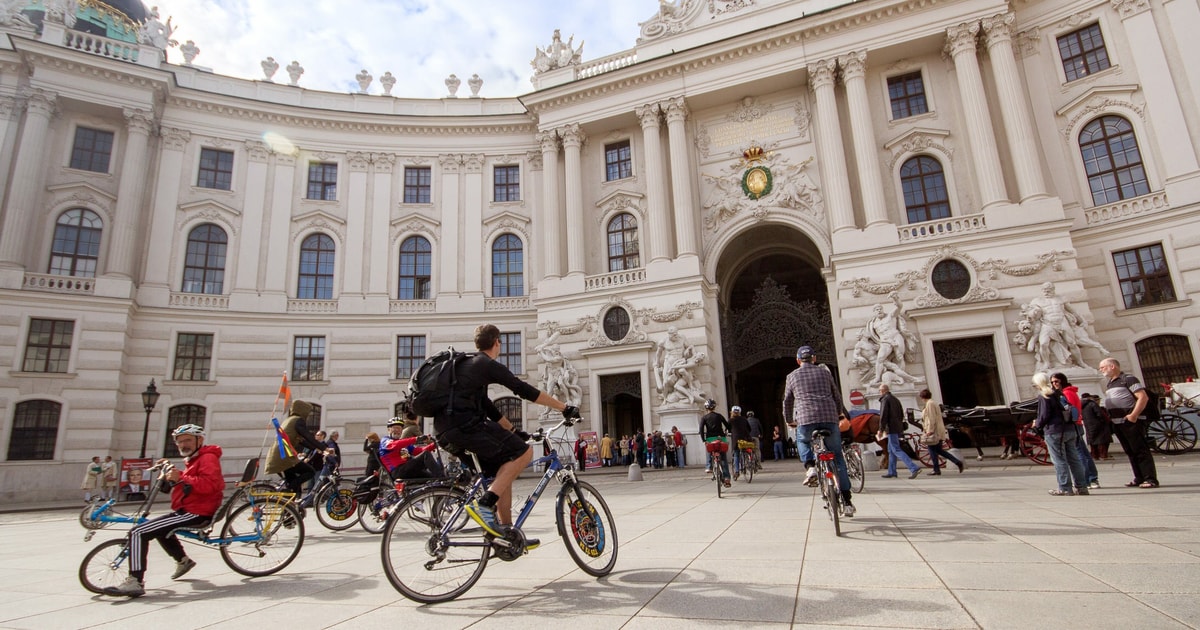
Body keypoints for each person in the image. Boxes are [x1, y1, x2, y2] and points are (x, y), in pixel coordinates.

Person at [435, 324, 578, 544]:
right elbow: (525, 390)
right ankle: (484, 504)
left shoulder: (467, 365)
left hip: (444, 431)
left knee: (504, 469)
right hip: (465, 426)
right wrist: (564, 408)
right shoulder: (486, 364)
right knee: (524, 453)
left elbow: (488, 407)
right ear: (497, 343)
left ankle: (507, 534)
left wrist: (513, 431)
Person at [107, 424, 223, 597]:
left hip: (197, 512)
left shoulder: (207, 458)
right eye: (180, 442)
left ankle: (135, 581)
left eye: (188, 440)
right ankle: (183, 561)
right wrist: (170, 468)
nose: (183, 445)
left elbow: (212, 485)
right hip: (189, 509)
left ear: (200, 440)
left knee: (138, 532)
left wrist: (182, 477)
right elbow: (192, 479)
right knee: (159, 528)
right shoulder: (195, 459)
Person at [784, 345, 856, 516]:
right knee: (838, 458)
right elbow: (836, 395)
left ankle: (810, 467)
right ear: (814, 359)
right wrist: (839, 414)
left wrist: (788, 420)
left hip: (806, 419)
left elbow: (787, 401)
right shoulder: (825, 373)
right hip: (829, 418)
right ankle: (847, 502)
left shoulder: (792, 376)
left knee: (802, 440)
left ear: (798, 360)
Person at [1098, 357, 1159, 488]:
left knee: (1140, 450)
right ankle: (1139, 477)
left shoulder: (1128, 379)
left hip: (1131, 421)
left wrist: (1134, 415)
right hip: (1118, 422)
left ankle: (1150, 479)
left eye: (1103, 367)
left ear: (1112, 366)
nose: (1101, 370)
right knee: (1130, 450)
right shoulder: (1110, 383)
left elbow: (1143, 397)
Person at [1032, 372, 1088, 496]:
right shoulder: (1059, 393)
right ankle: (1082, 487)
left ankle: (1064, 488)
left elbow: (1044, 414)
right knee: (1074, 459)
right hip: (1069, 429)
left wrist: (1037, 426)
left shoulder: (1045, 395)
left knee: (1059, 460)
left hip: (1055, 431)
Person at [266, 400, 332, 499]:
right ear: (303, 410)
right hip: (284, 457)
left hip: (278, 455)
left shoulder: (289, 420)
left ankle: (289, 511)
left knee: (293, 484)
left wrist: (318, 449)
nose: (308, 415)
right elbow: (308, 436)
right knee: (310, 472)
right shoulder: (298, 420)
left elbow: (302, 441)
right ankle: (287, 490)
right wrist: (325, 448)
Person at [1052, 372, 1099, 489]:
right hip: (1076, 424)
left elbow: (1069, 411)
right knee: (1083, 452)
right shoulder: (1070, 392)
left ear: (1062, 381)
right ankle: (1092, 478)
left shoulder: (1066, 393)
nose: (1054, 384)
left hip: (1073, 425)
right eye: (1052, 382)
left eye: (1056, 381)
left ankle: (1087, 479)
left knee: (1079, 454)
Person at [379, 417, 444, 480]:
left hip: (408, 469)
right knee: (425, 455)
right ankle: (441, 478)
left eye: (400, 428)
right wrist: (416, 439)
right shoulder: (385, 440)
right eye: (395, 428)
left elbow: (419, 451)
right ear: (389, 429)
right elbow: (393, 445)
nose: (398, 430)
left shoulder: (403, 443)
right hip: (398, 471)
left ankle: (441, 487)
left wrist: (435, 444)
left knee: (431, 478)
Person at [879, 383, 921, 480]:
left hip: (891, 428)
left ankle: (914, 468)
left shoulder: (885, 399)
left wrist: (881, 429)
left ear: (883, 391)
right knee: (890, 450)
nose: (879, 392)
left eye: (880, 390)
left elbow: (883, 415)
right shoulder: (895, 399)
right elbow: (901, 414)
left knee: (896, 449)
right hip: (897, 428)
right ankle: (892, 471)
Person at [917, 389, 963, 475]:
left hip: (935, 431)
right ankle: (957, 462)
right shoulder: (932, 403)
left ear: (922, 397)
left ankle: (936, 469)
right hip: (937, 430)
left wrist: (930, 430)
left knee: (932, 450)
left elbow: (931, 418)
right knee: (939, 450)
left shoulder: (930, 404)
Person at [699, 399, 731, 487]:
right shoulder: (719, 416)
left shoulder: (704, 418)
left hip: (710, 438)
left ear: (706, 408)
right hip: (721, 438)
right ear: (714, 407)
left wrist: (704, 440)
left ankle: (709, 466)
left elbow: (701, 430)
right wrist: (727, 432)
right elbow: (727, 425)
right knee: (723, 459)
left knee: (709, 451)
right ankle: (727, 478)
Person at [1080, 393, 1112, 461]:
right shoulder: (1092, 404)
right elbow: (1099, 414)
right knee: (1102, 440)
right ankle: (1103, 455)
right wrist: (1104, 420)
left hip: (1088, 425)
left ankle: (1094, 455)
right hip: (1098, 424)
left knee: (1092, 441)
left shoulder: (1081, 405)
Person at [729, 406, 750, 479]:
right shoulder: (744, 419)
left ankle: (737, 471)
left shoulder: (731, 420)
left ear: (732, 412)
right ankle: (746, 464)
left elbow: (728, 429)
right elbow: (749, 428)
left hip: (736, 439)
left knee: (736, 455)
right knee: (744, 450)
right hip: (745, 438)